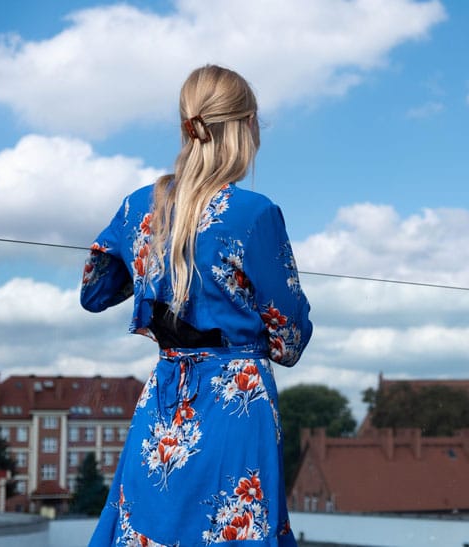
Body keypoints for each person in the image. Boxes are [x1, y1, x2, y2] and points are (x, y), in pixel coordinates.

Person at [81, 65, 312, 546]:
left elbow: (95, 292)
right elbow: (289, 341)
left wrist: (153, 260)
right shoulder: (256, 215)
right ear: (245, 128)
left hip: (165, 404)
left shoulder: (137, 208)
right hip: (237, 405)